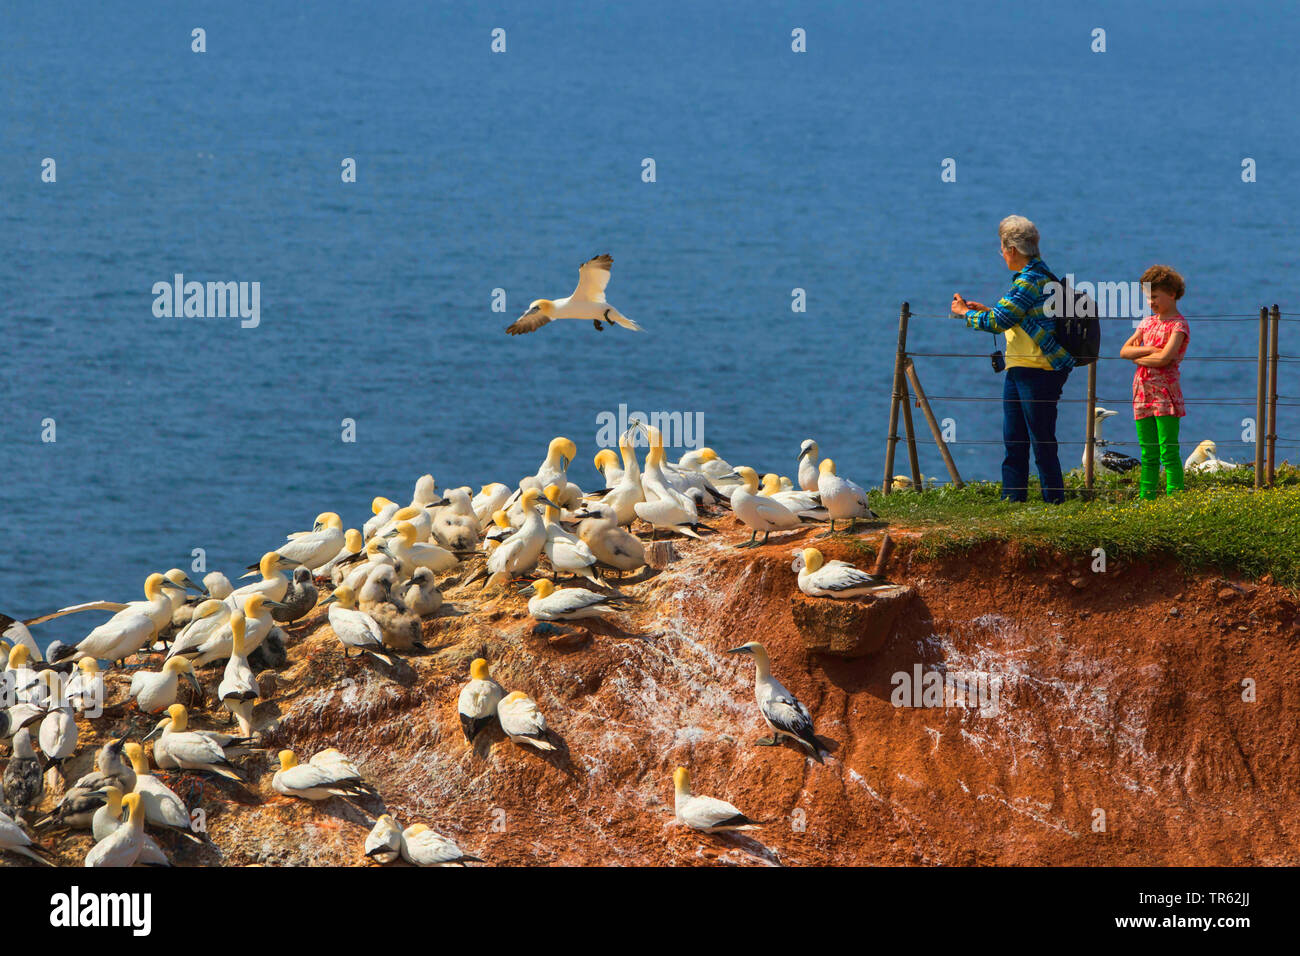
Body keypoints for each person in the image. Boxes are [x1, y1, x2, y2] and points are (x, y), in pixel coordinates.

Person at [951, 215, 1076, 503]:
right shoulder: (1033, 276)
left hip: (1039, 370)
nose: (1002, 256)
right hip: (1021, 368)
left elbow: (999, 321)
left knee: (1041, 441)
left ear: (1012, 250)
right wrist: (987, 310)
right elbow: (1015, 316)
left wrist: (964, 313)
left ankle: (1054, 502)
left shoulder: (1031, 279)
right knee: (1015, 440)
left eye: (1002, 249)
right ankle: (1013, 501)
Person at [1120, 265, 1189, 499]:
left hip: (1165, 393)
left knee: (1168, 451)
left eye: (1155, 297)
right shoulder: (1147, 323)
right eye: (1148, 297)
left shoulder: (1178, 326)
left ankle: (1174, 499)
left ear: (1171, 294)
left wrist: (1140, 356)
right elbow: (1124, 351)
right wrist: (1149, 349)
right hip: (1142, 393)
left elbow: (1164, 359)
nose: (1151, 302)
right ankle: (1146, 499)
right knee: (1148, 452)